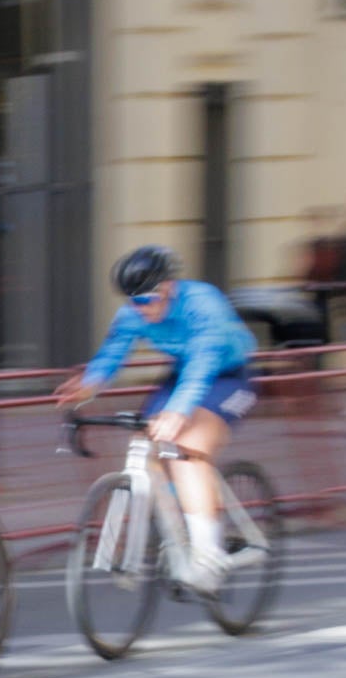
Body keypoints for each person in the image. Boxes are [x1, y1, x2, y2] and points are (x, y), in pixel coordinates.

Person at [54, 244, 258, 599]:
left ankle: (208, 557)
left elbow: (202, 365)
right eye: (132, 301)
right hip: (181, 375)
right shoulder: (135, 311)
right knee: (149, 447)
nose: (139, 309)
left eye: (146, 300)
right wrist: (88, 385)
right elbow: (112, 354)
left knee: (187, 448)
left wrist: (178, 412)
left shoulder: (202, 304)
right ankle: (183, 529)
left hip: (226, 375)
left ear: (169, 287)